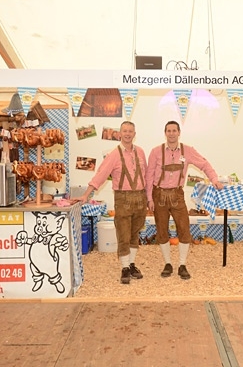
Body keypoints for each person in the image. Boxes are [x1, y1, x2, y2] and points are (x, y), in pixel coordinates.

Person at [146, 121, 224, 280]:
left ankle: (182, 264)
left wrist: (214, 179)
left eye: (174, 130)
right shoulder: (155, 152)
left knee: (184, 228)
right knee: (161, 230)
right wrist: (149, 198)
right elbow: (149, 176)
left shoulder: (187, 150)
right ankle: (168, 263)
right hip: (158, 194)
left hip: (177, 194)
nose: (171, 133)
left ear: (179, 132)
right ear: (165, 133)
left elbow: (204, 164)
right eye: (169, 131)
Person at [72, 121, 148, 284]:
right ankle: (125, 268)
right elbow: (101, 175)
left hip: (140, 199)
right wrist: (86, 195)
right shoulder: (113, 155)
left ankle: (132, 264)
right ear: (120, 134)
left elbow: (146, 177)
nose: (127, 134)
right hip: (123, 199)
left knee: (134, 234)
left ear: (134, 134)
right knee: (123, 234)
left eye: (130, 131)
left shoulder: (141, 152)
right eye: (125, 131)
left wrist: (150, 198)